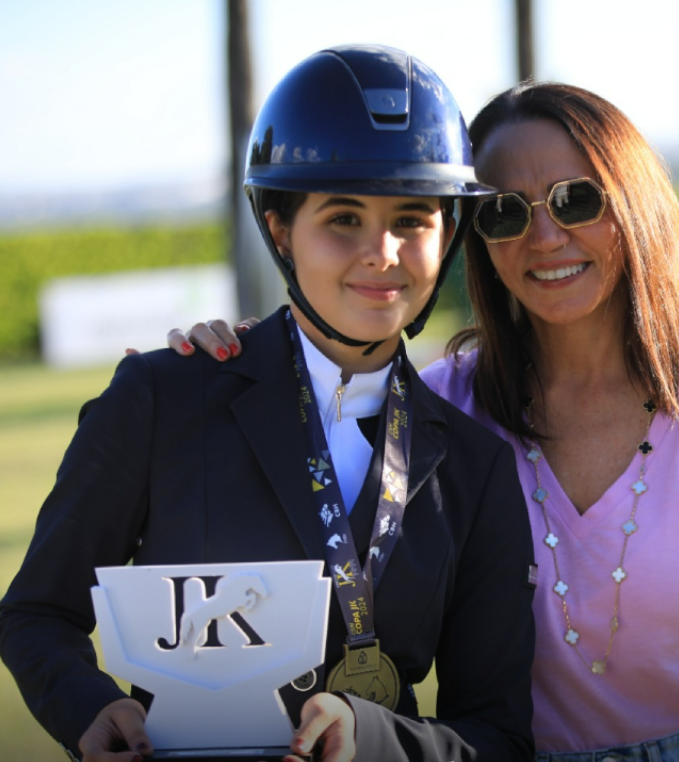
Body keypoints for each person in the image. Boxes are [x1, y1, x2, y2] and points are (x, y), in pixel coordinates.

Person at [176, 81, 679, 761]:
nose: (542, 237)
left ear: (636, 206)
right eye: (503, 213)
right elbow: (296, 454)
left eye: (577, 200)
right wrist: (231, 366)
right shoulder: (435, 413)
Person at [0, 46, 537, 762]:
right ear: (281, 229)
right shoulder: (161, 396)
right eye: (343, 218)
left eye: (412, 220)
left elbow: (497, 738)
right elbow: (36, 613)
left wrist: (373, 738)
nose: (382, 252)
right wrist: (88, 709)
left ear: (449, 237)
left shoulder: (476, 467)